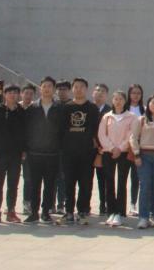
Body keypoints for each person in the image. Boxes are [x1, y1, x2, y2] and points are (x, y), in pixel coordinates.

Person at [24, 77, 65, 224]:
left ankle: (46, 212)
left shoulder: (60, 108)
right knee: (34, 184)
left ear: (54, 89)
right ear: (40, 88)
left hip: (53, 153)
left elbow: (63, 130)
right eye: (44, 86)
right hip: (34, 153)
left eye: (49, 86)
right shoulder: (32, 108)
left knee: (50, 185)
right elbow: (26, 130)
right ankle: (34, 212)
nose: (47, 89)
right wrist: (26, 149)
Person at [61, 77, 100, 225]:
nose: (78, 89)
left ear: (86, 89)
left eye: (81, 87)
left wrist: (96, 148)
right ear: (72, 89)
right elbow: (61, 129)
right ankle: (69, 211)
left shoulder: (92, 108)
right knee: (68, 183)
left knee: (86, 183)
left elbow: (96, 130)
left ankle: (82, 211)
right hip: (69, 152)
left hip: (87, 152)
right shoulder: (66, 107)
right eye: (76, 87)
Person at [0, 83, 26, 224]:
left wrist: (24, 150)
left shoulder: (22, 112)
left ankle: (11, 211)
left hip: (16, 155)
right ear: (4, 94)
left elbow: (26, 133)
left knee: (13, 184)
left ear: (18, 95)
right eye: (10, 92)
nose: (13, 95)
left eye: (15, 92)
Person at [98, 90, 135, 227]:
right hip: (109, 152)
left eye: (121, 99)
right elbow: (101, 135)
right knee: (109, 181)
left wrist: (120, 148)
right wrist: (111, 148)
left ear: (125, 101)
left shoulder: (131, 117)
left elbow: (131, 135)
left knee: (121, 182)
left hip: (124, 153)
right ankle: (111, 212)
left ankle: (120, 213)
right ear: (112, 101)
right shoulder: (107, 117)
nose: (118, 101)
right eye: (116, 99)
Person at [130, 96, 154, 229]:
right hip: (144, 156)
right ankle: (143, 217)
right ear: (148, 105)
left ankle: (152, 215)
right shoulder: (141, 120)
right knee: (145, 186)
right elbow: (133, 138)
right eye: (153, 102)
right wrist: (136, 154)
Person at [53, 79, 72, 214]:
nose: (62, 92)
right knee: (51, 177)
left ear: (69, 90)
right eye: (59, 89)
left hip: (67, 148)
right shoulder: (53, 105)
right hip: (52, 147)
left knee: (63, 177)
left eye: (64, 89)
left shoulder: (73, 105)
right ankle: (50, 204)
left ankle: (61, 204)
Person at [125, 84, 145, 217]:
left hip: (137, 147)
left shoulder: (144, 110)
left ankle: (133, 204)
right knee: (122, 178)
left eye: (138, 93)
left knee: (135, 178)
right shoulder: (124, 108)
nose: (136, 95)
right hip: (123, 147)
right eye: (133, 93)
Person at [92, 83, 110, 216]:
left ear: (106, 95)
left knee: (103, 178)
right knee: (86, 178)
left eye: (102, 91)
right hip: (88, 148)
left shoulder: (110, 111)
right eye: (97, 90)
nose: (99, 93)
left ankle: (104, 204)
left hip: (104, 149)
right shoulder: (88, 108)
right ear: (93, 93)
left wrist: (102, 146)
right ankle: (84, 206)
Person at [19, 83, 36, 216]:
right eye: (26, 93)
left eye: (31, 94)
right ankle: (10, 206)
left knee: (28, 178)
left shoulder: (35, 109)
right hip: (14, 149)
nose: (28, 96)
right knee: (12, 179)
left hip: (29, 150)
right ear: (21, 94)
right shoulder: (15, 108)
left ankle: (27, 203)